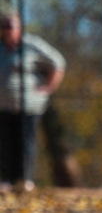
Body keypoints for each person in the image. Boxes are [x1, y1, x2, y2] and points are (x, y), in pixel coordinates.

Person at [0, 12, 66, 193]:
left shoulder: (31, 45)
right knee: (5, 143)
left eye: (11, 26)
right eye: (4, 26)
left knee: (25, 142)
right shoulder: (1, 48)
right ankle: (6, 180)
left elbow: (58, 63)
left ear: (19, 28)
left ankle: (25, 180)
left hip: (28, 106)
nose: (7, 30)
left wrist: (48, 87)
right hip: (3, 106)